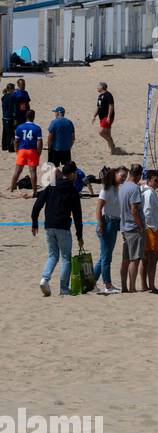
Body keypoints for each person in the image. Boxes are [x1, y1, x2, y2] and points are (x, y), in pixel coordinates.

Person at [32, 161, 84, 296]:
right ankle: (64, 288)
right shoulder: (72, 190)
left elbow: (38, 203)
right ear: (72, 174)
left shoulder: (51, 186)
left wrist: (34, 222)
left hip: (49, 226)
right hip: (63, 226)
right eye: (75, 173)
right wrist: (79, 235)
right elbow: (77, 215)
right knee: (66, 257)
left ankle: (45, 278)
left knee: (52, 255)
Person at [91, 166, 125, 294]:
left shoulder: (117, 188)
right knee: (106, 257)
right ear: (115, 174)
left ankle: (91, 282)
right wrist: (100, 224)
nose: (123, 179)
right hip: (107, 223)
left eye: (125, 177)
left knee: (104, 256)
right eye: (122, 176)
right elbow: (99, 208)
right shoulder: (106, 189)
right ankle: (108, 284)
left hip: (115, 222)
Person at [118, 164, 146, 293]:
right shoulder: (135, 188)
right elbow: (134, 210)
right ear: (139, 175)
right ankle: (132, 287)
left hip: (124, 227)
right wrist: (141, 226)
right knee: (134, 259)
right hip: (133, 227)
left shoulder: (122, 187)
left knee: (125, 260)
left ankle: (124, 286)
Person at [141, 168, 158, 294]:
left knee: (146, 259)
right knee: (152, 258)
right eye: (156, 180)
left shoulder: (149, 191)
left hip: (150, 228)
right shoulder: (149, 193)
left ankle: (145, 284)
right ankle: (151, 285)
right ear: (149, 180)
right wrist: (153, 227)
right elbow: (147, 212)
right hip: (151, 229)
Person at [9, 112, 41, 195]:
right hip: (32, 151)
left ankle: (12, 188)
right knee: (33, 172)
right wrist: (39, 153)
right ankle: (34, 191)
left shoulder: (20, 127)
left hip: (22, 150)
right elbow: (39, 142)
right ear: (33, 117)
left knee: (17, 171)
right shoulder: (37, 128)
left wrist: (16, 150)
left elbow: (16, 140)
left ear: (26, 117)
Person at [95, 81, 124, 155]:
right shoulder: (100, 96)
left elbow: (111, 106)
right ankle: (112, 150)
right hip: (101, 117)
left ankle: (111, 143)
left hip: (107, 117)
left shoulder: (108, 95)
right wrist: (94, 116)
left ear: (102, 87)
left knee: (101, 132)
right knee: (108, 133)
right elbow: (98, 107)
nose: (97, 88)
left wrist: (108, 117)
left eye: (98, 86)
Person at [1, 82, 16, 153]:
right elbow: (12, 108)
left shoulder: (4, 96)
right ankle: (10, 148)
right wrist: (14, 117)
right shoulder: (11, 97)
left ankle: (4, 146)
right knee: (11, 133)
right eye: (14, 89)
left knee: (5, 133)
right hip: (9, 117)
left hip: (4, 117)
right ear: (11, 89)